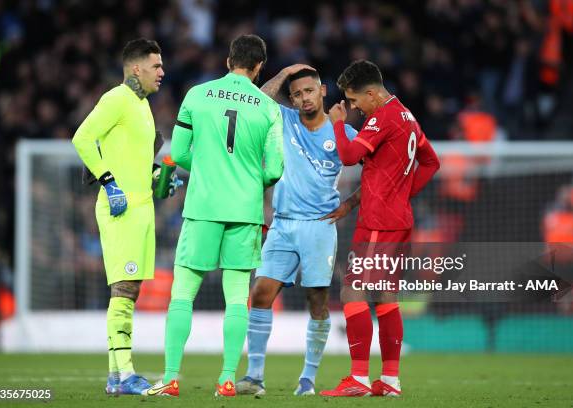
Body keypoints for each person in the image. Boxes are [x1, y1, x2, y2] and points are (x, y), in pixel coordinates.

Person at [144, 34, 284, 397]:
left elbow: (181, 153)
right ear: (258, 68)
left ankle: (171, 377)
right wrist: (249, 176)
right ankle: (226, 378)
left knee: (183, 293)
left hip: (203, 207)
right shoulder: (268, 108)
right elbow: (275, 169)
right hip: (245, 211)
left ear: (228, 61)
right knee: (237, 296)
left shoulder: (196, 95)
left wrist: (206, 166)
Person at [234, 65, 358, 396]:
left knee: (316, 301)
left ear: (322, 92)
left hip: (319, 226)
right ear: (292, 99)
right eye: (297, 93)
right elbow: (255, 97)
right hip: (283, 223)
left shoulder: (341, 131)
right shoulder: (285, 120)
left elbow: (375, 169)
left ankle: (307, 379)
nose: (303, 98)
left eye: (308, 91)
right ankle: (255, 377)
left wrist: (349, 204)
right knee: (260, 292)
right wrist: (287, 71)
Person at [320, 60, 440, 397]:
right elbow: (430, 162)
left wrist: (339, 124)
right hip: (396, 219)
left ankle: (358, 379)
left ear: (372, 93)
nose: (354, 107)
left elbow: (347, 156)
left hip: (379, 223)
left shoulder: (382, 117)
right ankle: (389, 381)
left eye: (355, 100)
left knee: (352, 288)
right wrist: (393, 195)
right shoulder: (406, 116)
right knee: (387, 295)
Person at [72, 38, 174, 395]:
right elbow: (82, 138)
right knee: (124, 288)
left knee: (130, 291)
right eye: (156, 66)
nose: (162, 72)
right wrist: (108, 182)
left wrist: (158, 178)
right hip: (121, 208)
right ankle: (126, 374)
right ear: (136, 68)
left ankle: (117, 378)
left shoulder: (142, 106)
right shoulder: (116, 98)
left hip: (142, 207)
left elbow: (133, 161)